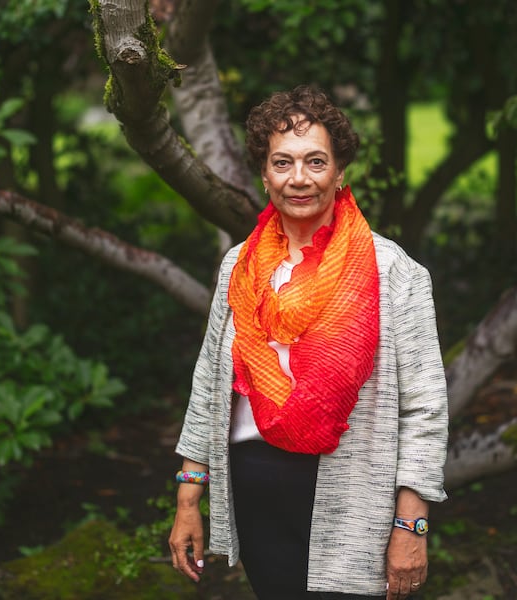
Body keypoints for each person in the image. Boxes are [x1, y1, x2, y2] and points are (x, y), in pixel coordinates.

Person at [169, 84, 449, 599]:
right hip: (254, 489)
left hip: (352, 494)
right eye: (283, 163)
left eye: (316, 162)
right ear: (264, 172)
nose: (299, 179)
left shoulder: (393, 272)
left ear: (339, 172)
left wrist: (412, 525)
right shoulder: (240, 266)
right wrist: (190, 499)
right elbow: (209, 384)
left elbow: (426, 409)